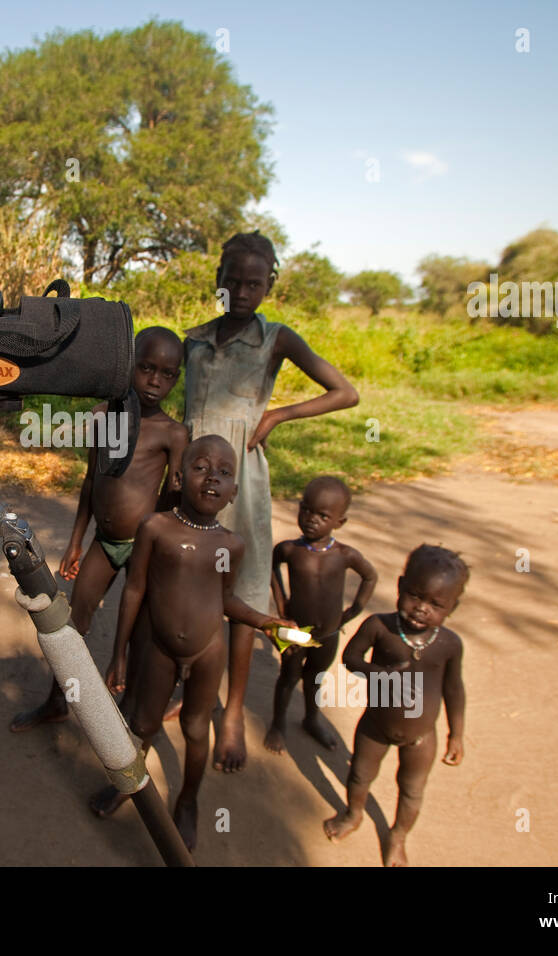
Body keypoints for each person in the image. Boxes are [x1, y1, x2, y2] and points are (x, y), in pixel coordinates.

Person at [184, 232, 359, 773]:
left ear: (269, 285)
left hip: (242, 478)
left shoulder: (276, 339)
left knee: (244, 592)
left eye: (254, 283)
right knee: (187, 586)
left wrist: (279, 414)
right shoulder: (194, 339)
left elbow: (345, 392)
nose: (241, 291)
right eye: (232, 280)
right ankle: (188, 694)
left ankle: (233, 713)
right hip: (191, 472)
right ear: (218, 278)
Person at [90, 435, 294, 850]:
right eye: (202, 467)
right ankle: (130, 783)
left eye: (224, 472)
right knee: (143, 724)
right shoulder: (156, 527)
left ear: (234, 491)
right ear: (180, 478)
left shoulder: (230, 545)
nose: (212, 478)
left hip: (207, 650)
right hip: (160, 649)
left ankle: (187, 801)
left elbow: (225, 600)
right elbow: (134, 591)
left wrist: (265, 621)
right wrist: (120, 656)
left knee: (196, 729)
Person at [10, 327, 188, 732]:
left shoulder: (173, 433)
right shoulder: (103, 417)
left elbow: (173, 500)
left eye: (167, 374)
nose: (156, 381)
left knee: (143, 634)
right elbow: (92, 481)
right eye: (146, 368)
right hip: (104, 544)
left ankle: (131, 715)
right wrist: (76, 542)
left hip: (146, 548)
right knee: (73, 623)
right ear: (128, 365)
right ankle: (57, 701)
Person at [323, 545, 468, 866]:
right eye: (415, 596)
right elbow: (350, 659)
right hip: (375, 726)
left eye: (435, 604)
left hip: (421, 736)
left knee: (412, 790)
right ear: (400, 586)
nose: (421, 609)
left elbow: (454, 689)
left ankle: (398, 836)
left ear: (452, 608)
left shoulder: (448, 645)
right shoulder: (379, 627)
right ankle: (353, 813)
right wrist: (381, 674)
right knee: (360, 775)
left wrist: (456, 734)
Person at [265, 476, 376, 752]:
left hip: (328, 632)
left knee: (316, 676)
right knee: (289, 676)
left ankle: (312, 719)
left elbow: (370, 576)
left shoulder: (344, 555)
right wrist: (281, 606)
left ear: (339, 522)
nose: (311, 519)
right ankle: (278, 723)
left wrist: (354, 610)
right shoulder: (291, 550)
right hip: (296, 629)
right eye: (306, 510)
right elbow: (271, 567)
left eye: (323, 515)